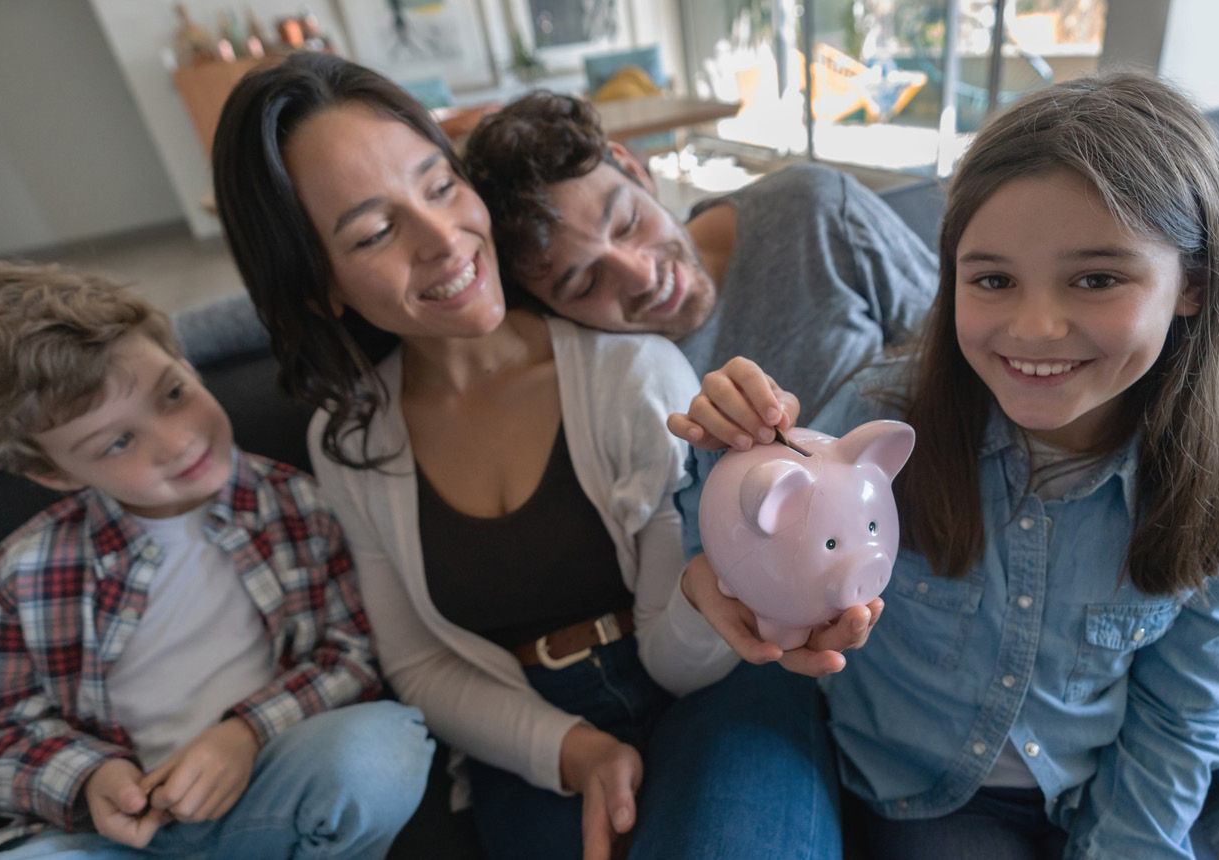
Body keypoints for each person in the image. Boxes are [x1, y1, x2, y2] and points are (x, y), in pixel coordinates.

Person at [210, 52, 879, 860]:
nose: (443, 239)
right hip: (525, 734)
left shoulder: (633, 374)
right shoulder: (350, 442)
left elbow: (677, 660)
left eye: (440, 185)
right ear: (318, 286)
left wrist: (711, 594)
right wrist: (570, 751)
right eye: (376, 232)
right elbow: (418, 662)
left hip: (713, 691)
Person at [668, 74, 1219, 859]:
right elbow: (737, 548)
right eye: (993, 280)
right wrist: (730, 456)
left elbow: (1181, 717)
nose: (1036, 326)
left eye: (1096, 279)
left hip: (1098, 778)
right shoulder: (883, 417)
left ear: (1192, 283)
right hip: (925, 796)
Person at [0, 262, 431, 858]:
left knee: (383, 749)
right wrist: (91, 778)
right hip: (119, 837)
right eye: (118, 442)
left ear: (185, 360)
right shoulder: (20, 575)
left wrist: (245, 734)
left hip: (272, 789)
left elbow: (352, 655)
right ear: (54, 473)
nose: (177, 442)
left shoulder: (301, 507)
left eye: (173, 394)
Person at [462, 90, 939, 427]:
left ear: (633, 170)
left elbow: (952, 341)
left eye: (628, 223)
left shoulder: (813, 209)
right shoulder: (598, 382)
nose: (641, 275)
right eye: (585, 284)